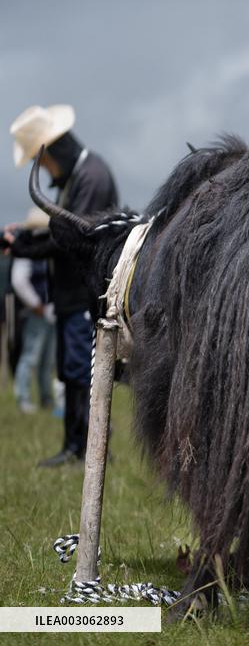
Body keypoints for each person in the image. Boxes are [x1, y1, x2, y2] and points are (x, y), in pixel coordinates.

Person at [5, 104, 119, 467]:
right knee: (71, 371)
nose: (45, 172)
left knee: (81, 373)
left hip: (85, 296)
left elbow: (75, 238)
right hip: (71, 297)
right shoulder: (80, 177)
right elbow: (62, 233)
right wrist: (22, 241)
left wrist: (22, 246)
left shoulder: (92, 177)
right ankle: (75, 445)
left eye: (44, 163)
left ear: (53, 151)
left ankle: (84, 448)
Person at [10, 208, 56, 413]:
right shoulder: (27, 250)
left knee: (47, 360)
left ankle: (46, 398)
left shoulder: (45, 250)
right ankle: (23, 397)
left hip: (49, 311)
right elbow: (19, 281)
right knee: (31, 357)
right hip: (35, 312)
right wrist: (37, 306)